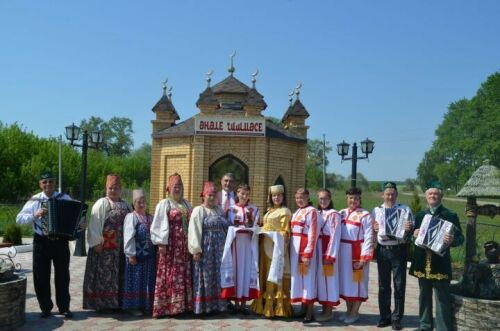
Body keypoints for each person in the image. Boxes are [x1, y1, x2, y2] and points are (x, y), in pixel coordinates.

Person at [16, 171, 75, 318]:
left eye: (50, 181)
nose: (48, 184)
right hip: (41, 242)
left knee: (63, 275)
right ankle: (45, 307)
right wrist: (35, 215)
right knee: (41, 275)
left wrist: (79, 223)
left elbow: (75, 214)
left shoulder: (64, 197)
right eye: (45, 182)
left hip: (60, 242)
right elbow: (19, 219)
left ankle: (64, 307)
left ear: (54, 183)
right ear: (40, 184)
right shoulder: (34, 201)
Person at [409, 182, 464, 331]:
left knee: (442, 299)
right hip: (422, 262)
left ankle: (443, 328)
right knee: (424, 297)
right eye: (430, 194)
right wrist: (413, 235)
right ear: (426, 196)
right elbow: (410, 237)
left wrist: (452, 240)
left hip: (440, 263)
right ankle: (425, 326)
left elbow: (460, 239)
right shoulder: (420, 215)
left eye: (436, 194)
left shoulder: (450, 215)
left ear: (441, 196)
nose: (432, 196)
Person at [83, 174, 130, 311]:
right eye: (110, 188)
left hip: (121, 249)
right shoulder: (102, 203)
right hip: (104, 248)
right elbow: (95, 223)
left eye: (116, 188)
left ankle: (118, 303)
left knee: (119, 274)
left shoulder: (126, 204)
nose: (113, 191)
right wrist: (96, 242)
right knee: (104, 276)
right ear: (106, 189)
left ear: (120, 189)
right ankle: (102, 304)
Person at [150, 173, 193, 318]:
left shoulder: (187, 204)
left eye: (180, 186)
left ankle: (182, 306)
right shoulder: (164, 204)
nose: (178, 189)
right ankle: (168, 307)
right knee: (171, 274)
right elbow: (157, 224)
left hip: (184, 247)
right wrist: (161, 242)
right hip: (170, 247)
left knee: (183, 274)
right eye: (175, 186)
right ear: (169, 188)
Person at [372, 182, 413, 330]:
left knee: (399, 285)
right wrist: (374, 228)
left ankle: (396, 318)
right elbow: (372, 229)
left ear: (396, 195)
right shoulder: (376, 210)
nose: (390, 196)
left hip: (399, 250)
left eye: (392, 194)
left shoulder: (405, 209)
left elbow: (411, 229)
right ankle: (384, 317)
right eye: (387, 194)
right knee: (383, 285)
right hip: (382, 250)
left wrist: (409, 228)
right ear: (383, 195)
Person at [250, 184, 293, 318]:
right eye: (274, 195)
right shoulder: (269, 211)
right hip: (265, 247)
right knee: (265, 274)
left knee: (274, 274)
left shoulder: (285, 211)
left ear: (283, 197)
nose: (276, 198)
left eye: (279, 195)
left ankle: (277, 307)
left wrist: (273, 232)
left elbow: (285, 232)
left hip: (276, 249)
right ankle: (263, 306)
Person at [188, 181, 229, 314]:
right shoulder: (198, 211)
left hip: (219, 251)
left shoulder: (219, 210)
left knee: (218, 276)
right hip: (206, 250)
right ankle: (203, 307)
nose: (212, 198)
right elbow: (194, 230)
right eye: (209, 195)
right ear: (203, 196)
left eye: (213, 195)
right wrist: (196, 250)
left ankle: (218, 305)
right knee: (204, 276)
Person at [220, 184, 260, 314]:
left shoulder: (254, 209)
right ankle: (236, 304)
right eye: (242, 193)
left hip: (248, 243)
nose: (244, 196)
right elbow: (227, 226)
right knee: (236, 271)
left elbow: (256, 226)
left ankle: (243, 304)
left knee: (246, 271)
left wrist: (252, 228)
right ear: (237, 193)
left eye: (247, 194)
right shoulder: (230, 209)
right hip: (235, 243)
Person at [338, 187, 374, 324]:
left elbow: (369, 236)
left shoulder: (365, 215)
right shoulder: (341, 213)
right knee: (346, 283)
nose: (353, 201)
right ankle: (348, 311)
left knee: (358, 284)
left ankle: (355, 312)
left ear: (360, 199)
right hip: (343, 253)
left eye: (356, 198)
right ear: (347, 198)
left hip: (357, 253)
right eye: (350, 198)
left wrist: (364, 257)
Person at [122, 189, 157, 316]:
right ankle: (133, 307)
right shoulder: (131, 217)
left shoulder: (150, 217)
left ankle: (146, 305)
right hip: (136, 255)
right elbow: (128, 236)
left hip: (149, 256)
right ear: (133, 204)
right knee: (136, 280)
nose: (141, 204)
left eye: (143, 202)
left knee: (147, 279)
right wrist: (131, 254)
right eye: (138, 202)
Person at [289, 188, 321, 323]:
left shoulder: (312, 211)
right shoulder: (296, 212)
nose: (299, 200)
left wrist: (308, 253)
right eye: (297, 198)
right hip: (295, 250)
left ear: (308, 197)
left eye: (302, 197)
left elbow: (313, 233)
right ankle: (302, 308)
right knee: (299, 281)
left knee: (308, 281)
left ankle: (309, 312)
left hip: (305, 250)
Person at [315, 188, 342, 322]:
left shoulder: (334, 214)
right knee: (322, 281)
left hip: (328, 248)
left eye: (325, 198)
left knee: (329, 281)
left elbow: (335, 235)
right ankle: (324, 308)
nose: (323, 201)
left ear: (330, 200)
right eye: (320, 198)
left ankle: (329, 311)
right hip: (319, 247)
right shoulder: (318, 213)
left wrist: (329, 255)